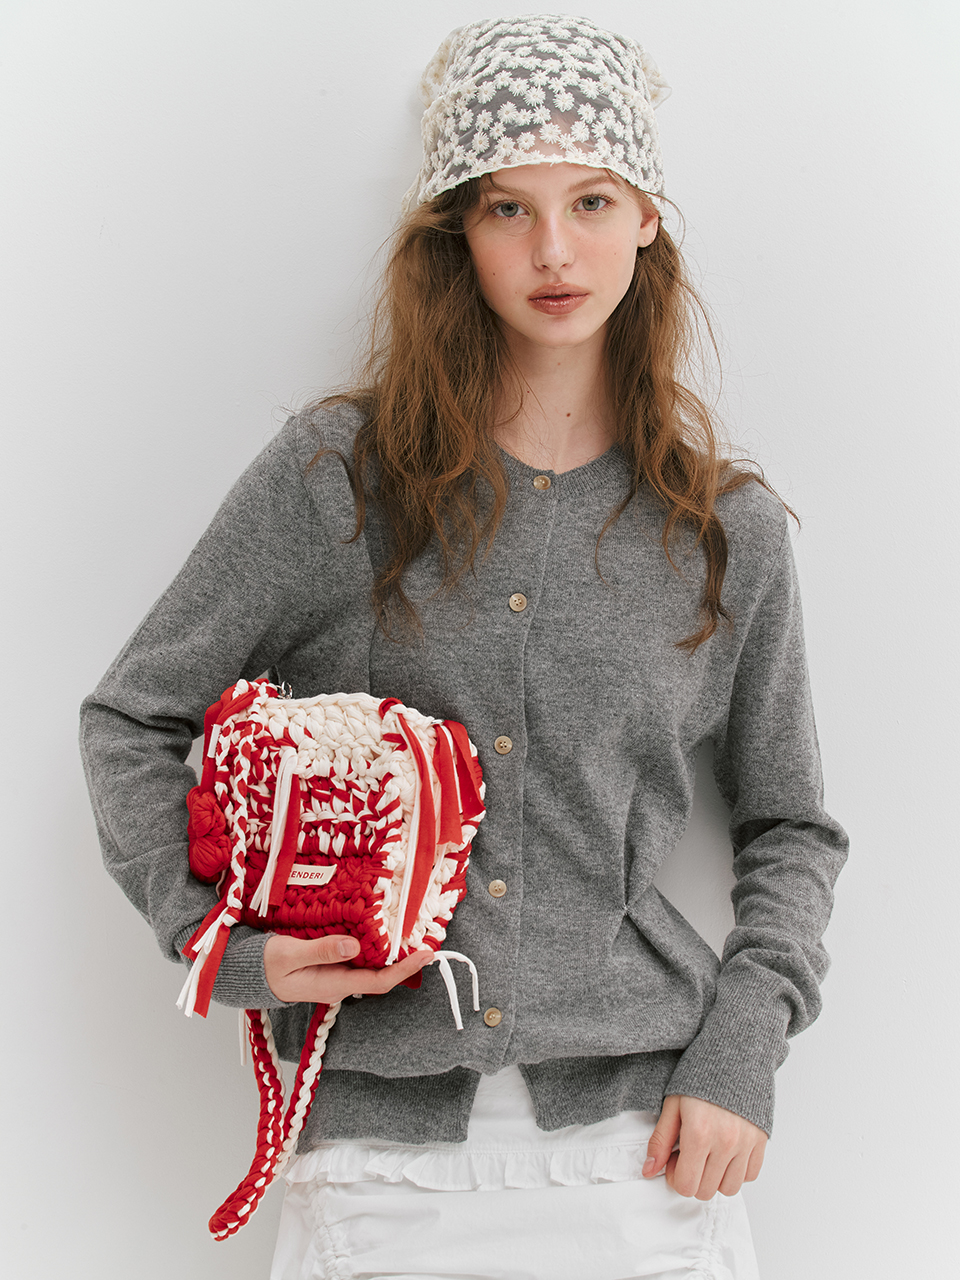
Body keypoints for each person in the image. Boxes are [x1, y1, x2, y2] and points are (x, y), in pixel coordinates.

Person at [79, 14, 848, 1280]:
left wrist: (743, 1047)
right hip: (377, 1170)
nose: (554, 250)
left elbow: (791, 826)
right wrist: (222, 940)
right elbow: (132, 715)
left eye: (591, 200)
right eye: (507, 208)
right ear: (457, 233)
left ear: (646, 219)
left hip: (647, 1155)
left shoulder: (724, 530)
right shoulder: (339, 480)